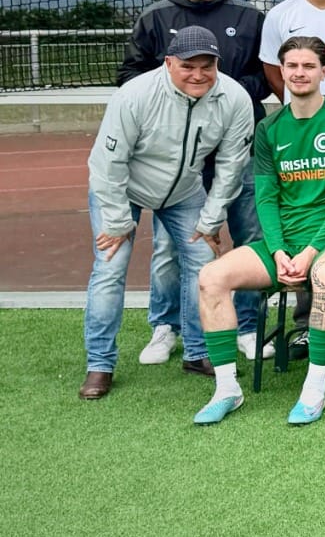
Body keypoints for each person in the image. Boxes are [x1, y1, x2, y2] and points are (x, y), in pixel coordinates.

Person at [192, 36, 325, 426]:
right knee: (211, 277)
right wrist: (278, 251)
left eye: (308, 66)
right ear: (281, 71)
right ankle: (226, 389)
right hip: (283, 246)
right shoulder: (269, 128)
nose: (300, 73)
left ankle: (314, 389)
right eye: (292, 66)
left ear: (324, 71)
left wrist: (310, 251)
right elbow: (266, 198)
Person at [79, 26, 253, 399]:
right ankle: (100, 364)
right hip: (123, 189)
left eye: (207, 66)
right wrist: (118, 221)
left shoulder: (235, 98)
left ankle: (197, 352)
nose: (198, 75)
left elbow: (231, 165)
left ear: (217, 64)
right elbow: (107, 164)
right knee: (110, 267)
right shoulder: (134, 95)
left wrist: (211, 219)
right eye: (188, 66)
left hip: (185, 192)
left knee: (203, 264)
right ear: (169, 63)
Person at [118, 0, 269, 362]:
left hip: (238, 146)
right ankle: (166, 326)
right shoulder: (154, 18)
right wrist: (177, 94)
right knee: (171, 245)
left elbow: (266, 76)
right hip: (174, 153)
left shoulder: (249, 18)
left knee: (249, 235)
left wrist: (225, 94)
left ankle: (247, 326)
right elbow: (130, 76)